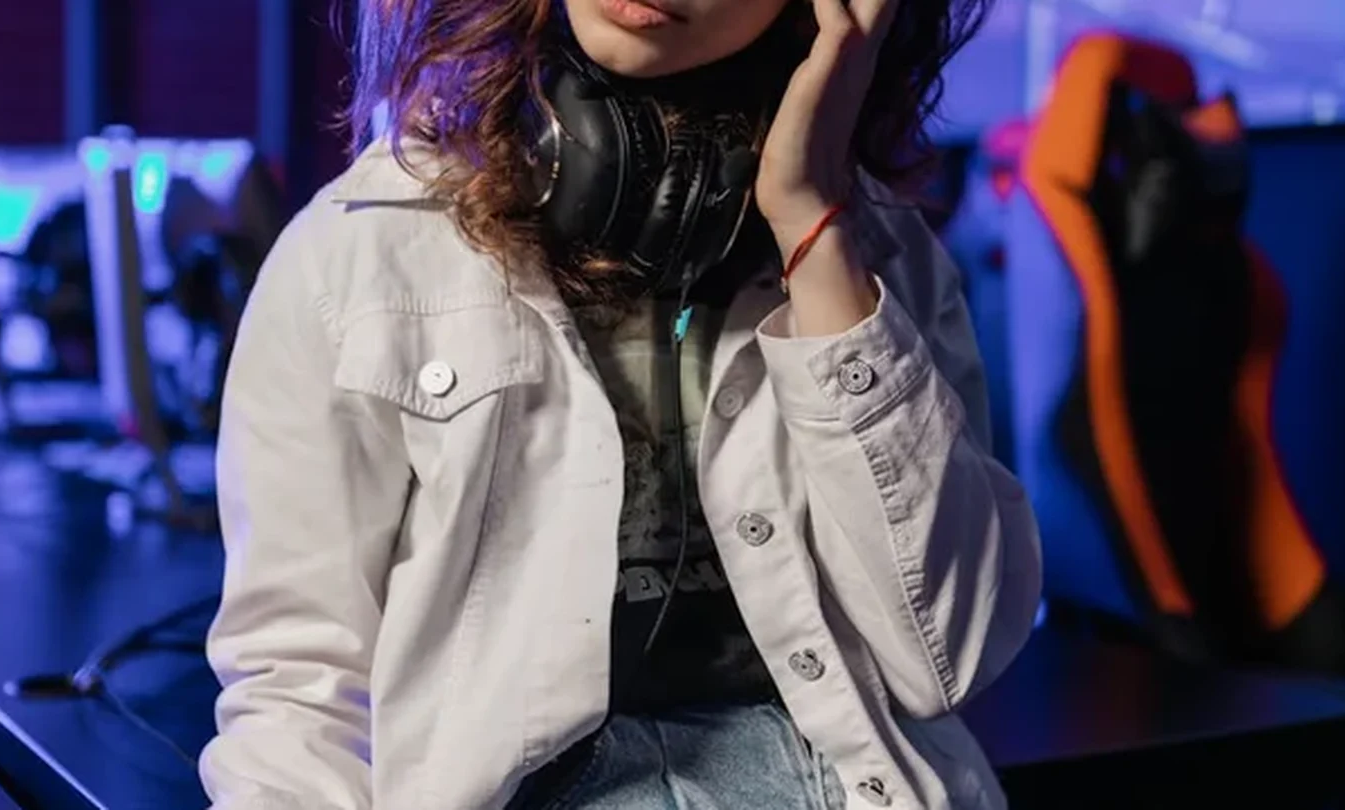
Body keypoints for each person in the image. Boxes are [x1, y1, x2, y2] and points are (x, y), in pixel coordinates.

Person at [200, 0, 1042, 807]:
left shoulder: (877, 259)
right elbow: (299, 693)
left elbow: (947, 659)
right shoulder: (360, 257)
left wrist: (813, 229)